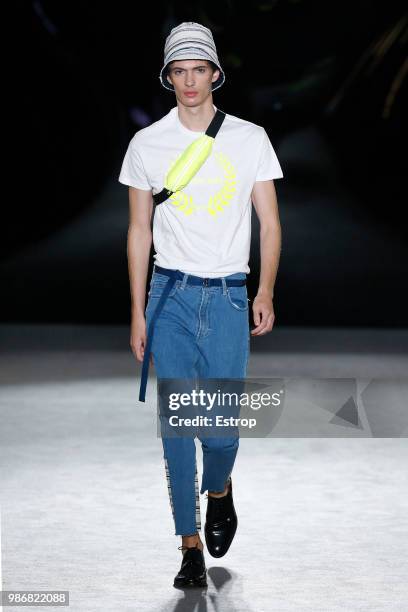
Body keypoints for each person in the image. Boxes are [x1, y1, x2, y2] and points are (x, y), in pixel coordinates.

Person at [118, 21, 283, 588]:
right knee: (176, 429)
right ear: (168, 78)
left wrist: (263, 289)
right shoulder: (147, 144)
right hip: (171, 297)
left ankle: (221, 488)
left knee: (221, 431)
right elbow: (140, 229)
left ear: (215, 73)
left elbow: (270, 221)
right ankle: (188, 545)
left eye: (199, 69)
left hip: (230, 296)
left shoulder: (250, 137)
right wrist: (139, 310)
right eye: (179, 71)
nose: (190, 81)